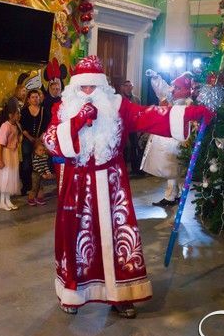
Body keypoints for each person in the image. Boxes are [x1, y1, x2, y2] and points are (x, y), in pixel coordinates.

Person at [41, 55, 212, 318]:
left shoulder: (119, 107)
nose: (88, 92)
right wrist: (76, 122)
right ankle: (72, 293)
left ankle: (120, 295)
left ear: (102, 86)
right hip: (77, 187)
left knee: (118, 239)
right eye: (83, 86)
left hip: (112, 186)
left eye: (93, 86)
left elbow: (149, 115)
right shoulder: (62, 109)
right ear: (75, 87)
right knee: (76, 240)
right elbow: (51, 141)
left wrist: (191, 114)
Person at [140, 71, 194, 207]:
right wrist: (155, 77)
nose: (174, 89)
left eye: (177, 88)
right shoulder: (172, 99)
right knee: (173, 169)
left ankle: (172, 196)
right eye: (174, 87)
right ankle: (173, 195)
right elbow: (162, 89)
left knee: (175, 168)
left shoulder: (188, 103)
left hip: (179, 140)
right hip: (171, 139)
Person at [0, 98, 22, 211]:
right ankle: (2, 202)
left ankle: (8, 200)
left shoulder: (16, 125)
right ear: (10, 115)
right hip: (5, 154)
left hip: (13, 154)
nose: (19, 115)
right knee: (5, 178)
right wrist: (0, 160)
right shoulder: (5, 126)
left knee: (11, 177)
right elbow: (0, 144)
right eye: (17, 113)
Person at [20, 89, 45, 199]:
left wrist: (40, 138)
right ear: (29, 99)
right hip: (27, 139)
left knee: (39, 163)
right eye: (33, 97)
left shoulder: (43, 110)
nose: (35, 99)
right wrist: (30, 138)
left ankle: (38, 187)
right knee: (26, 163)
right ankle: (26, 186)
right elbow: (22, 126)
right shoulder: (24, 111)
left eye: (37, 97)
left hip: (39, 140)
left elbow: (46, 126)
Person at [119, 79, 143, 176]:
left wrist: (139, 127)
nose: (128, 88)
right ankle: (123, 169)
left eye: (130, 86)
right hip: (122, 127)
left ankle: (135, 169)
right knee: (123, 147)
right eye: (126, 86)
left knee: (134, 146)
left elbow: (140, 113)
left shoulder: (136, 99)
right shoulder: (118, 99)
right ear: (122, 87)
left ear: (132, 87)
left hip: (133, 126)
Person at [29, 138, 55, 206]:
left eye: (43, 150)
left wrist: (48, 173)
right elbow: (37, 168)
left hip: (42, 174)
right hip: (36, 174)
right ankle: (31, 199)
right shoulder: (35, 159)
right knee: (34, 187)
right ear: (36, 151)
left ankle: (39, 198)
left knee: (41, 187)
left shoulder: (44, 157)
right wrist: (42, 174)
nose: (42, 152)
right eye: (40, 150)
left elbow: (45, 166)